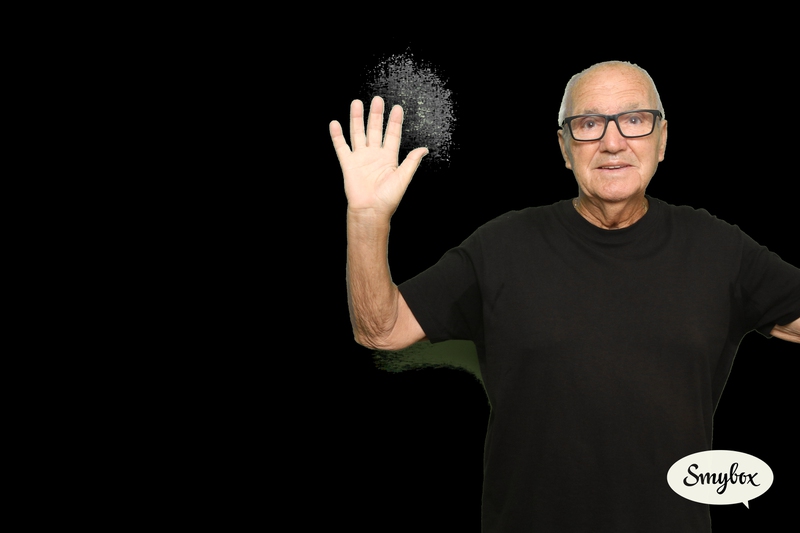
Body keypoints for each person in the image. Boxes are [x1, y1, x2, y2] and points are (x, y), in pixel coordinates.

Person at [329, 60, 800, 532]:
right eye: (589, 124)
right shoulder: (502, 246)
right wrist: (367, 218)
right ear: (565, 148)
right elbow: (381, 330)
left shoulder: (718, 248)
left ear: (662, 140)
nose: (612, 142)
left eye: (635, 120)